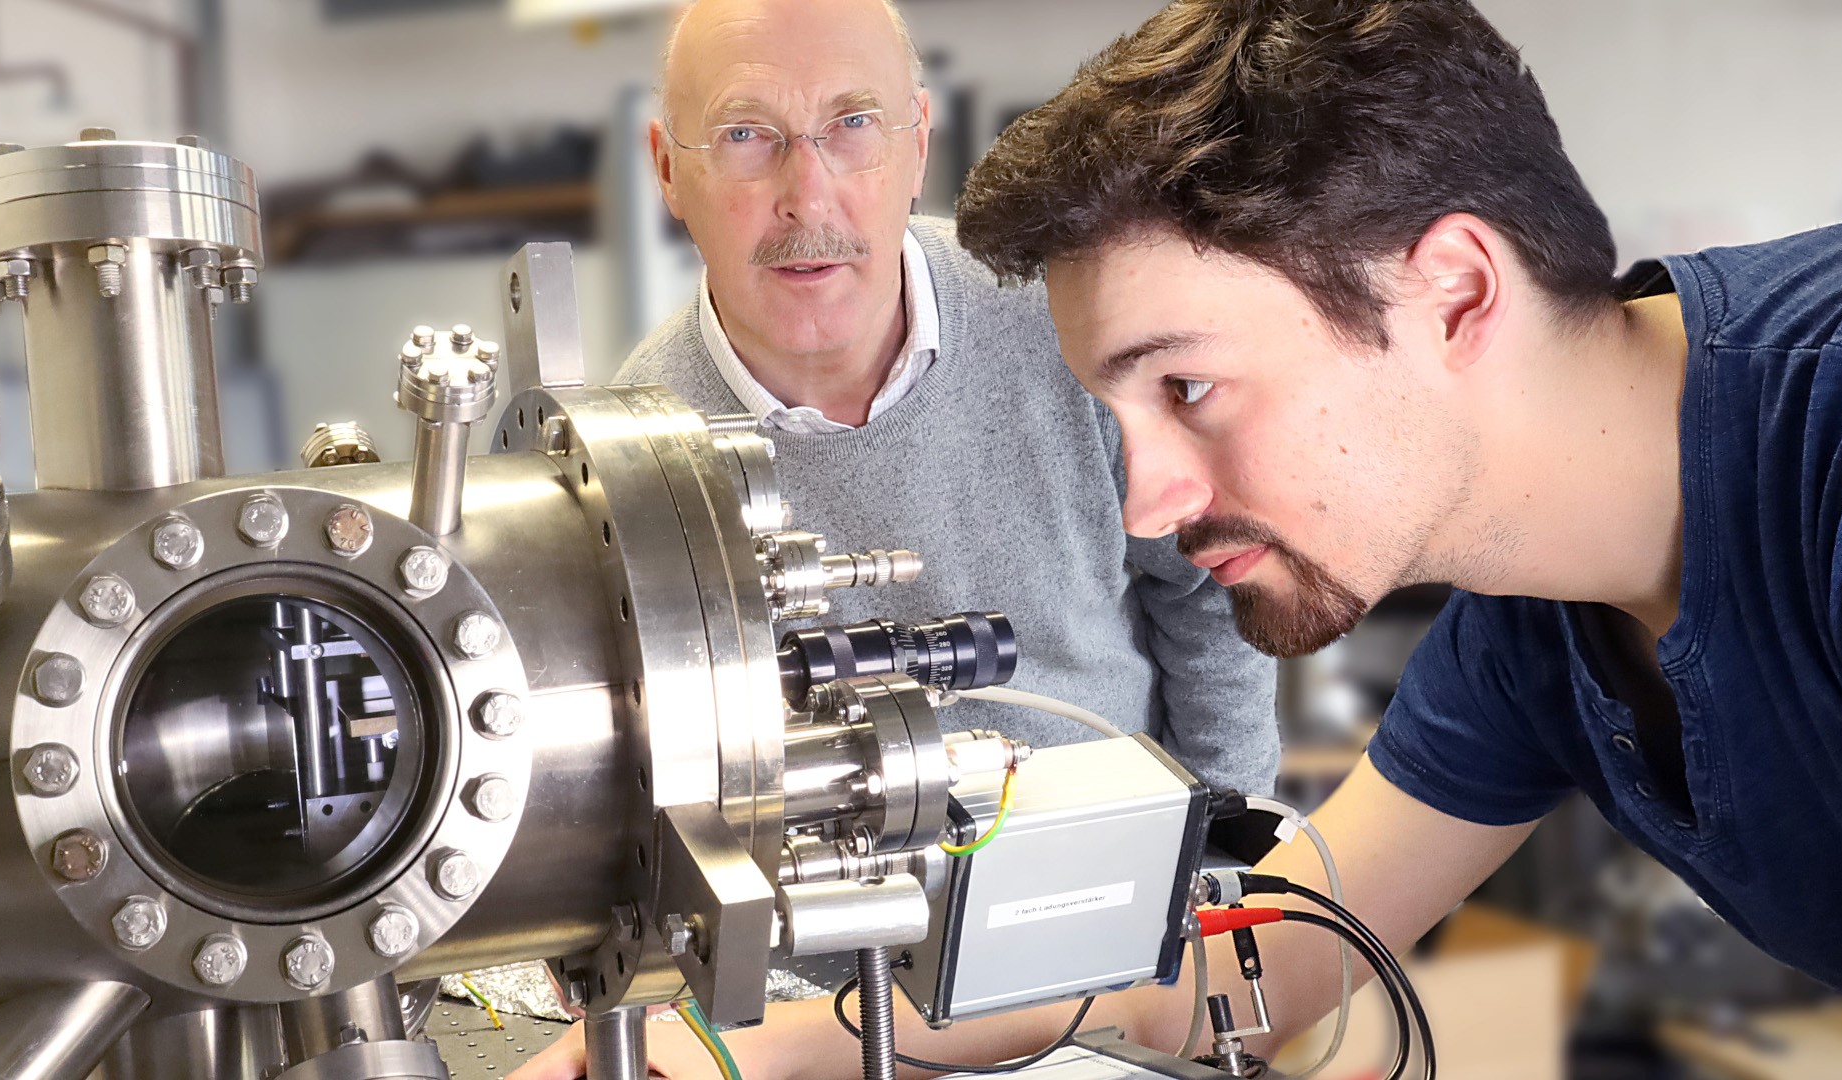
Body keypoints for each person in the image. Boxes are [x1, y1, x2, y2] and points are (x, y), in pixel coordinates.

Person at [520, 0, 1842, 1076]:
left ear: (1453, 293)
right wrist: (757, 1053)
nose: (1146, 508)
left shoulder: (1832, 445)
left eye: (1192, 388)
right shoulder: (1531, 625)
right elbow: (1247, 964)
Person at [510, 3, 1277, 1074]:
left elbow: (1203, 591)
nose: (807, 193)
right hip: (813, 1028)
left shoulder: (1066, 323)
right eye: (746, 133)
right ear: (668, 170)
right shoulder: (627, 473)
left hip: (1111, 975)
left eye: (853, 124)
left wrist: (1222, 876)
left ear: (919, 142)